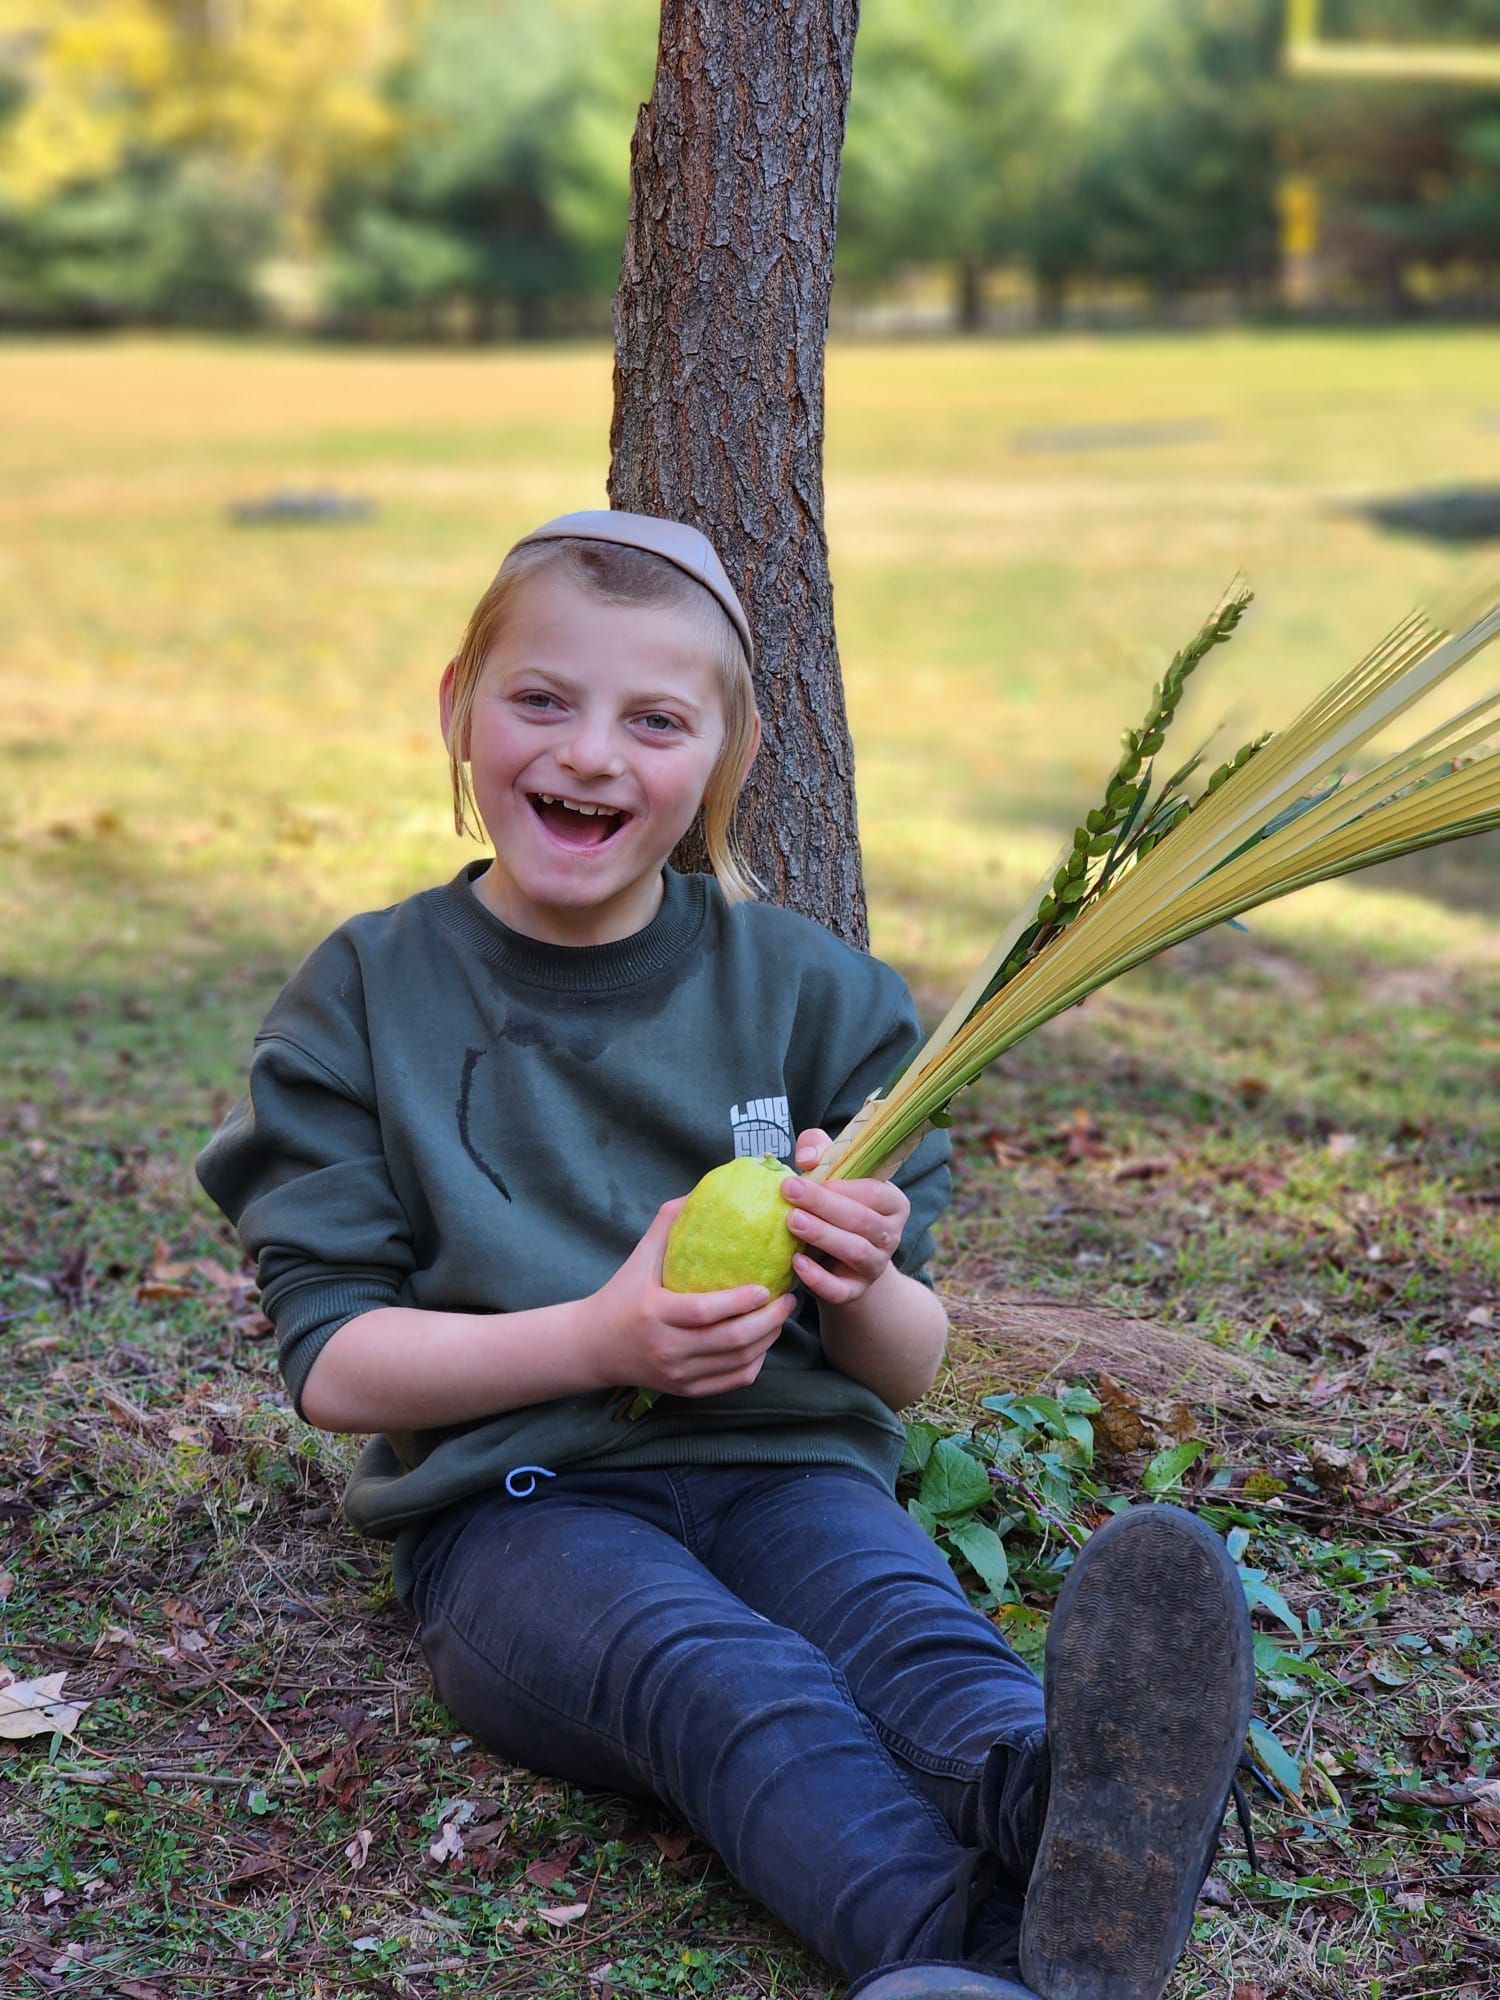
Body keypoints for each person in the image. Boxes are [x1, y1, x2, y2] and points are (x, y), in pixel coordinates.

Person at [195, 509, 1256, 2000]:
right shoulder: (370, 994)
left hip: (789, 1472)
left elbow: (908, 1366)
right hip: (517, 1517)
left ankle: (1062, 1810)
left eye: (655, 720)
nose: (588, 756)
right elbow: (334, 1363)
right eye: (541, 700)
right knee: (728, 1680)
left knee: (907, 1637)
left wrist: (866, 1279)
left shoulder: (818, 1002)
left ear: (726, 761)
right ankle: (957, 1951)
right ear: (459, 708)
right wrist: (598, 1343)